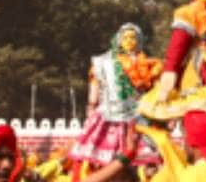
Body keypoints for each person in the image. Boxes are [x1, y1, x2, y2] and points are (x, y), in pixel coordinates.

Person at [69, 23, 161, 166]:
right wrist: (92, 106)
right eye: (125, 38)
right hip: (111, 112)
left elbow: (156, 92)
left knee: (142, 158)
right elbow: (95, 87)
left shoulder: (150, 64)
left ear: (139, 40)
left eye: (133, 37)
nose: (129, 41)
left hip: (137, 115)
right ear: (119, 40)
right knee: (104, 157)